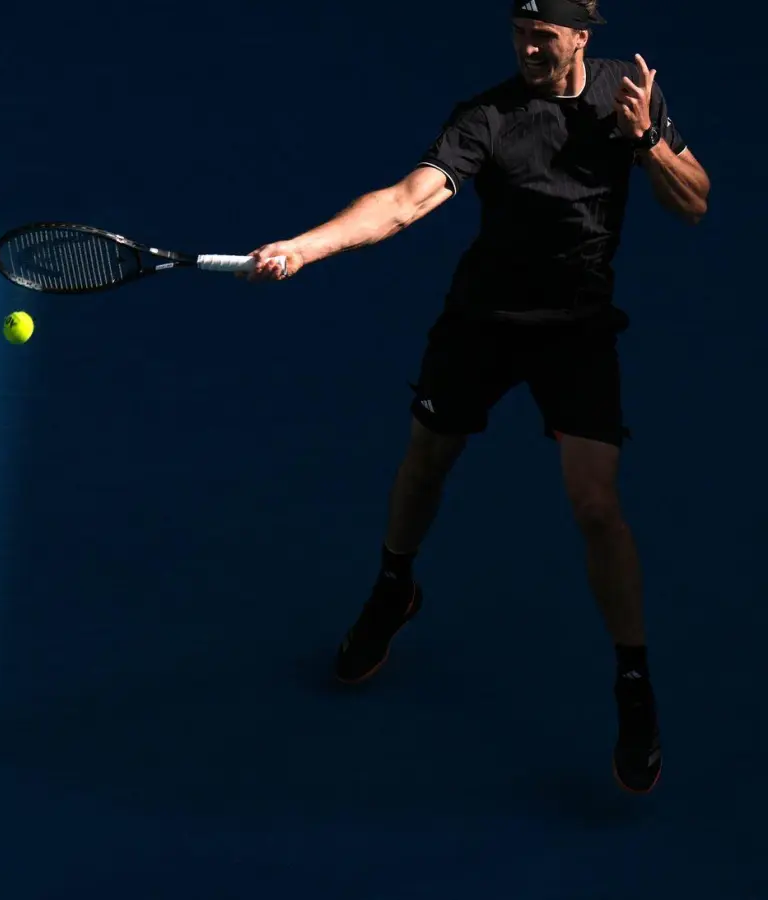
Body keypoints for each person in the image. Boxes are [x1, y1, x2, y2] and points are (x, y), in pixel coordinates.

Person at [243, 0, 710, 795]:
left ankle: (633, 683)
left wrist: (649, 141)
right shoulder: (488, 118)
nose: (530, 45)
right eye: (519, 30)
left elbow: (694, 201)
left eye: (546, 33)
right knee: (427, 460)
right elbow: (402, 201)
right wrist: (306, 246)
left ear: (581, 36)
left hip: (578, 330)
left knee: (597, 506)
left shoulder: (629, 97)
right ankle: (396, 587)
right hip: (482, 322)